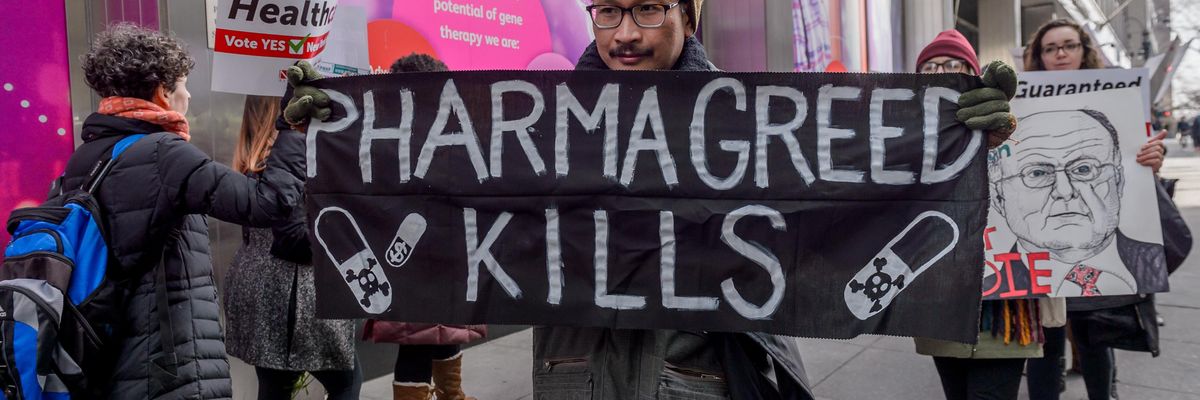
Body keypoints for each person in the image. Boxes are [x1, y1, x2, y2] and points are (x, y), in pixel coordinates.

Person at [283, 1, 1017, 397]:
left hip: (695, 380)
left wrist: (957, 137)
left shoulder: (744, 121)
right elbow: (442, 189)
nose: (625, 33)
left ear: (687, 14)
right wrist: (338, 128)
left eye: (648, 9)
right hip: (575, 378)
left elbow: (847, 195)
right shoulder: (539, 121)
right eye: (607, 11)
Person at [70, 23, 306, 399]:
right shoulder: (164, 153)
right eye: (182, 85)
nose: (189, 95)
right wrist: (291, 128)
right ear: (162, 92)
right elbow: (269, 203)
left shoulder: (86, 156)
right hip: (169, 356)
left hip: (110, 347)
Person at [1021, 19, 1167, 400]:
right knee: (1044, 343)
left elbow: (1134, 161)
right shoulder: (1016, 102)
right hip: (1039, 249)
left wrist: (1152, 156)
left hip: (1097, 249)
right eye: (1050, 48)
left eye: (1069, 45)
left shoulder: (1119, 97)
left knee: (1095, 339)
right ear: (1038, 57)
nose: (1060, 54)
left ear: (1084, 49)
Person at [910, 29, 1044, 400]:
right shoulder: (906, 135)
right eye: (930, 67)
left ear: (973, 71)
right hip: (942, 299)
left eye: (952, 64)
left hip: (1006, 305)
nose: (940, 72)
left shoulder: (1008, 115)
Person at [358, 53, 486, 400]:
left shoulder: (394, 133)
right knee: (419, 344)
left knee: (443, 333)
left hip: (439, 262)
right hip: (418, 266)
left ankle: (451, 395)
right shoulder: (396, 137)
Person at [223, 95, 361, 400]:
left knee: (275, 387)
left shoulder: (251, 160)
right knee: (346, 382)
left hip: (256, 286)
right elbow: (295, 240)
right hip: (296, 291)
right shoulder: (293, 158)